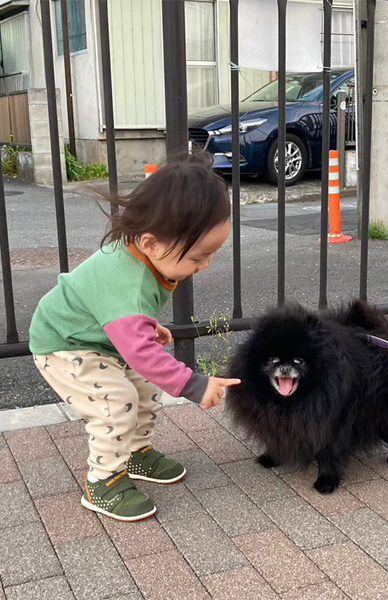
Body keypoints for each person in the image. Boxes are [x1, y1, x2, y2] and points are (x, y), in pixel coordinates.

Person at [29, 154, 240, 522]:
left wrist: (145, 327)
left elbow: (121, 315)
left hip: (98, 338)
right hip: (64, 344)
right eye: (198, 256)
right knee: (115, 399)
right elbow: (134, 334)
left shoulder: (145, 254)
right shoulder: (125, 276)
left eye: (212, 254)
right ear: (152, 243)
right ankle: (104, 482)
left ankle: (135, 453)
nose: (204, 265)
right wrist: (192, 384)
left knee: (144, 386)